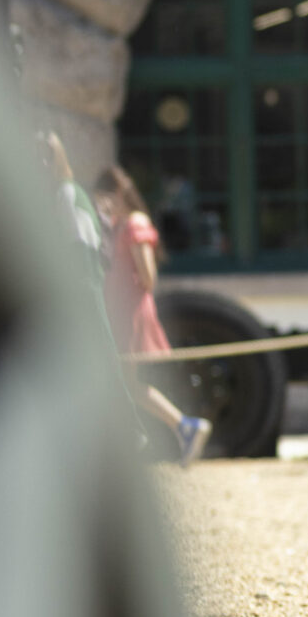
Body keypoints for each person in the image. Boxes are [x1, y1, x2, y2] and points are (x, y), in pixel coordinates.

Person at [96, 164, 212, 466]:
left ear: (117, 193)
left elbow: (148, 276)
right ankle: (181, 427)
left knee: (121, 382)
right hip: (120, 311)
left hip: (130, 313)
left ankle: (159, 433)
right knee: (125, 383)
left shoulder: (134, 223)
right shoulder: (119, 224)